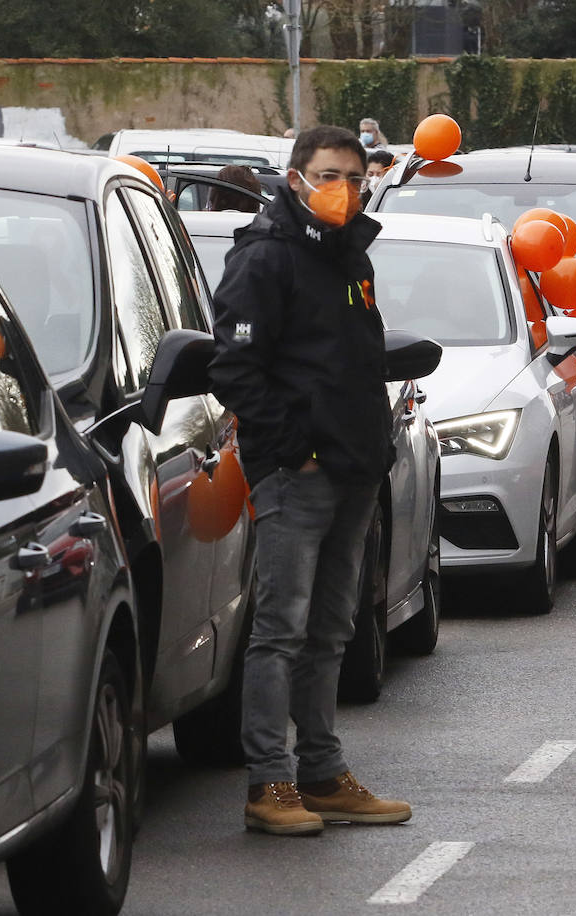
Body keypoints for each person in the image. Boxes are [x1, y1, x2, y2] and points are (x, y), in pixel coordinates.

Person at [209, 125, 411, 836]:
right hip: (299, 476)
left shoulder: (351, 256)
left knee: (332, 630)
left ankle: (322, 773)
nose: (344, 190)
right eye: (329, 176)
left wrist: (371, 446)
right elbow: (233, 367)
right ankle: (271, 782)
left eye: (355, 178)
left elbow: (355, 358)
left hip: (355, 469)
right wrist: (295, 452)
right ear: (295, 179)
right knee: (280, 629)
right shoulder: (266, 258)